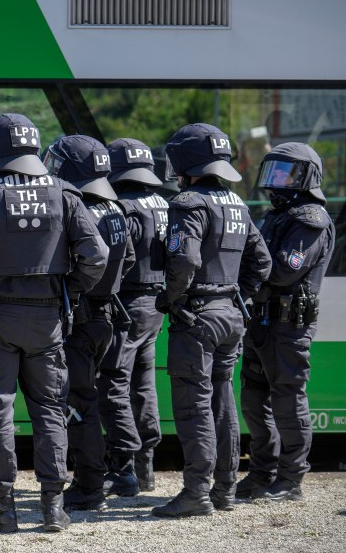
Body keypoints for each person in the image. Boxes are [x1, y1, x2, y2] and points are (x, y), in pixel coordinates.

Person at [0, 114, 108, 533]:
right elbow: (96, 257)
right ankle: (53, 507)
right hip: (47, 320)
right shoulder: (66, 194)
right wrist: (65, 291)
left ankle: (4, 509)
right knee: (50, 410)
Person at [154, 123, 271, 517]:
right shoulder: (236, 203)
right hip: (230, 315)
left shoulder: (189, 202)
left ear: (188, 162)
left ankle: (196, 494)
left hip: (197, 316)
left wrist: (170, 298)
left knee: (193, 407)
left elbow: (185, 260)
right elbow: (262, 262)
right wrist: (239, 296)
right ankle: (224, 489)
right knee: (223, 401)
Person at [238, 143, 334, 502]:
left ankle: (291, 480)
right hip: (261, 323)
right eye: (271, 173)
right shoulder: (277, 215)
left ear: (305, 178)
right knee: (253, 400)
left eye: (284, 174)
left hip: (288, 325)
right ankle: (262, 473)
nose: (274, 183)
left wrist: (246, 258)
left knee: (288, 401)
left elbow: (282, 270)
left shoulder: (310, 219)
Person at [44, 134, 135, 511]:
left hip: (80, 321)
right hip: (107, 318)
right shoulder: (115, 208)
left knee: (79, 406)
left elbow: (84, 261)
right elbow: (126, 261)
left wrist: (73, 292)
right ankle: (116, 473)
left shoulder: (79, 208)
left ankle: (88, 486)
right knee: (97, 398)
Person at [100, 138, 168, 494]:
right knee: (143, 385)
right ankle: (145, 469)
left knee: (112, 382)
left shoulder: (122, 208)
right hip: (154, 304)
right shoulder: (161, 203)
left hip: (127, 305)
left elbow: (114, 259)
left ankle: (123, 467)